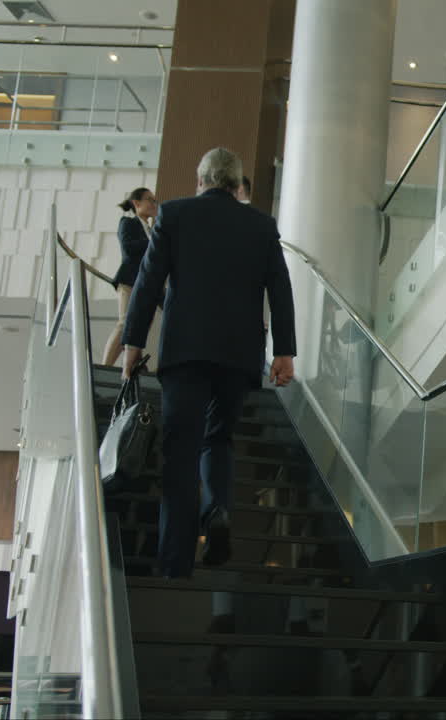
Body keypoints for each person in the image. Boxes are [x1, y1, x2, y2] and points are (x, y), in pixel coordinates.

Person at [122, 147, 297, 579]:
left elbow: (147, 281)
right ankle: (217, 509)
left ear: (200, 181)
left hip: (186, 351)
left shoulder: (175, 215)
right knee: (219, 439)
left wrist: (132, 343)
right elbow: (281, 287)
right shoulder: (261, 225)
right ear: (238, 187)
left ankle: (175, 561)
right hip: (239, 356)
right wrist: (284, 352)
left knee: (179, 452)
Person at [103, 187, 159, 366]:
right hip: (129, 280)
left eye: (154, 200)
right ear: (136, 203)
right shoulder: (128, 222)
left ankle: (131, 370)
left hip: (146, 285)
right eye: (149, 199)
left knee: (138, 328)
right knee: (125, 323)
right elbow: (128, 248)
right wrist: (153, 242)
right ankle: (105, 367)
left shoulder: (151, 230)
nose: (153, 203)